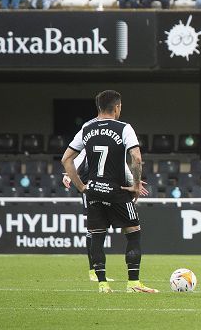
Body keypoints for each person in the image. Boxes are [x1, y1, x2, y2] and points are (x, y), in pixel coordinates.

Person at [60, 90, 156, 293]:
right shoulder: (124, 128)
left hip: (93, 191)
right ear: (117, 107)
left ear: (99, 107)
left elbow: (66, 159)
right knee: (133, 233)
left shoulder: (87, 128)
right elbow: (136, 158)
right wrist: (136, 184)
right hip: (117, 190)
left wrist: (80, 186)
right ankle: (133, 284)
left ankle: (103, 284)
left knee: (97, 236)